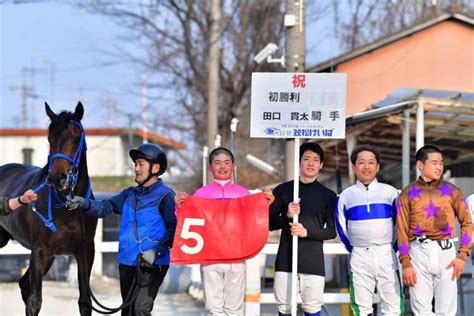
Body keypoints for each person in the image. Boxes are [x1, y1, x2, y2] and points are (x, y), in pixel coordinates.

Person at [66, 143, 177, 316]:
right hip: (127, 262)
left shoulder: (166, 196)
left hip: (152, 263)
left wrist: (156, 252)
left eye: (141, 164)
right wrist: (84, 202)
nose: (136, 169)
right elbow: (104, 207)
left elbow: (172, 229)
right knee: (128, 312)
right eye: (135, 164)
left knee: (141, 309)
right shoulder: (128, 194)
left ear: (155, 168)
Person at [175, 147, 274, 316]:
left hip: (237, 256)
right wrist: (179, 206)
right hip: (210, 257)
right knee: (214, 308)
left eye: (227, 162)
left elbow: (255, 220)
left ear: (233, 166)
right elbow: (185, 223)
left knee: (234, 308)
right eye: (217, 163)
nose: (222, 166)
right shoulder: (200, 194)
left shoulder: (243, 193)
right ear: (210, 167)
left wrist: (267, 204)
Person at [397, 145, 472, 315]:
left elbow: (467, 223)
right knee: (421, 311)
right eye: (434, 163)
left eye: (441, 163)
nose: (439, 167)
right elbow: (401, 230)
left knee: (446, 311)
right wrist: (406, 263)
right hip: (418, 253)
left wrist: (462, 256)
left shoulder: (453, 191)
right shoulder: (407, 194)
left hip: (446, 253)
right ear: (420, 165)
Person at [335, 144, 404, 316]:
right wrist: (356, 249)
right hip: (359, 255)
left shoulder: (391, 193)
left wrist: (392, 248)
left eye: (371, 162)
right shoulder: (346, 196)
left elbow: (400, 224)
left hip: (387, 254)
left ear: (377, 166)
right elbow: (341, 227)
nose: (366, 167)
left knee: (392, 306)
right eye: (361, 162)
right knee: (361, 306)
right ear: (354, 167)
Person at [269, 142, 337, 316]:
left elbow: (331, 231)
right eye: (306, 158)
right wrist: (287, 216)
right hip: (286, 259)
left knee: (312, 308)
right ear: (299, 162)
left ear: (321, 164)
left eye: (315, 160)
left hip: (313, 261)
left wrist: (306, 232)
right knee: (284, 307)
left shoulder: (328, 196)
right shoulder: (283, 190)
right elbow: (269, 224)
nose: (311, 163)